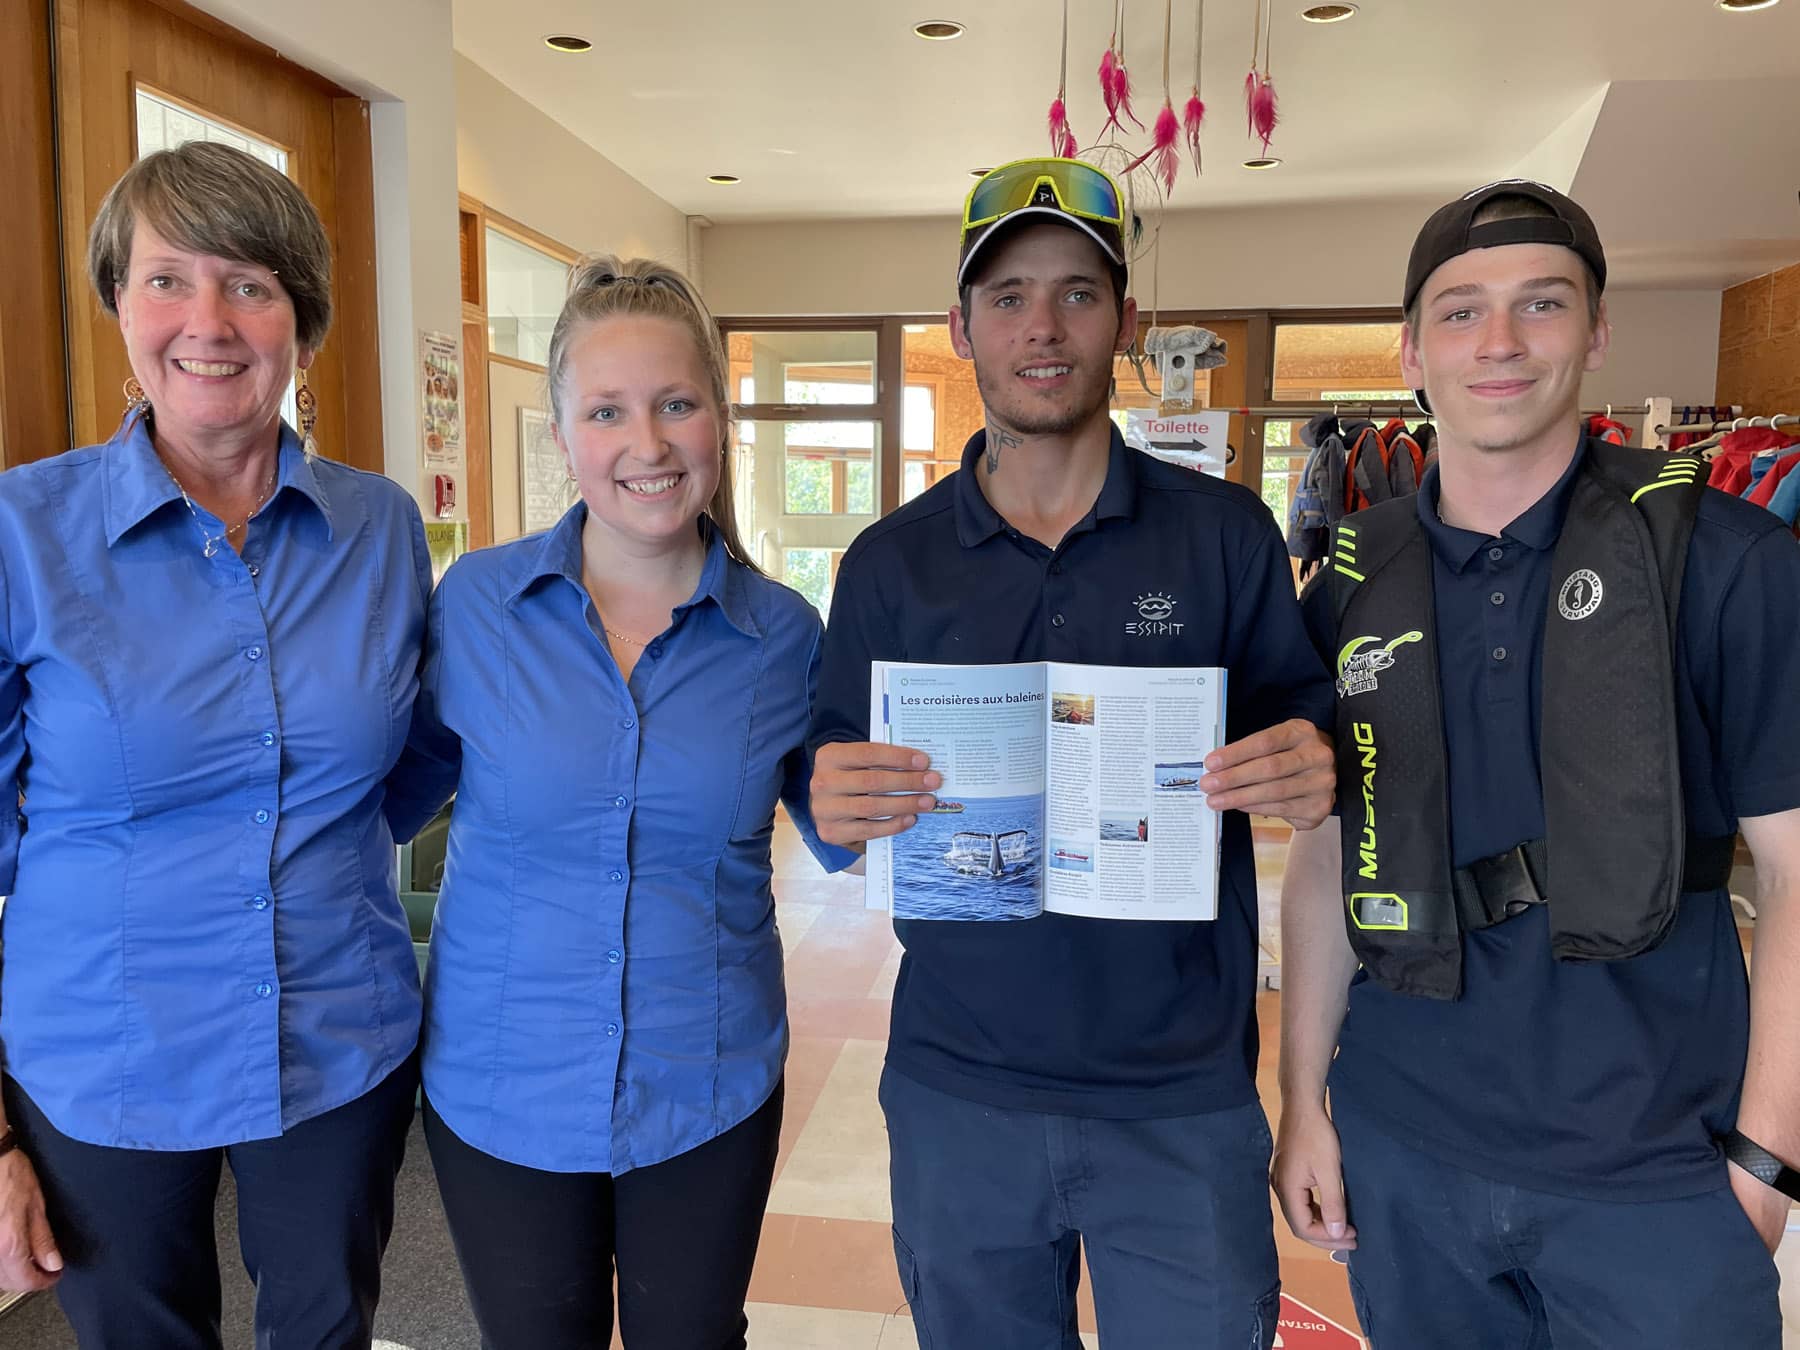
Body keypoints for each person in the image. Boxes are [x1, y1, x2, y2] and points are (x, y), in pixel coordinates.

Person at [807, 158, 1336, 1350]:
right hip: (960, 1089)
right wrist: (829, 799)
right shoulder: (888, 566)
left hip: (1183, 1097)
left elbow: (1315, 744)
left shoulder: (1224, 536)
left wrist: (1309, 769)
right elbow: (827, 783)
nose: (1041, 328)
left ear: (1127, 324)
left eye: (1077, 295)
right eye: (1006, 298)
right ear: (962, 329)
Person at [1273, 179, 1800, 1348]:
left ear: (1598, 329)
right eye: (1460, 312)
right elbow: (1323, 860)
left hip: (1656, 1173)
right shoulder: (1352, 581)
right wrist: (1301, 1103)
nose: (1499, 343)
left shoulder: (1729, 564)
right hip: (1406, 1157)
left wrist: (1765, 1164)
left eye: (1542, 304)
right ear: (1411, 349)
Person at [0, 141, 432, 1347]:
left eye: (249, 283)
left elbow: (416, 756)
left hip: (336, 1035)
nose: (209, 320)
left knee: (324, 1328)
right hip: (100, 1050)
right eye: (166, 280)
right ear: (117, 308)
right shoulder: (21, 534)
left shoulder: (379, 529)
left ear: (303, 320)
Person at [393, 255, 855, 1350]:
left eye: (676, 404)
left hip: (706, 1084)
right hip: (504, 1083)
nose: (646, 445)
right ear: (563, 432)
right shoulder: (478, 608)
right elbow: (379, 796)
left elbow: (840, 826)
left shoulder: (784, 634)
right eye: (607, 411)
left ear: (720, 420)